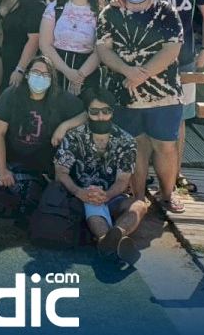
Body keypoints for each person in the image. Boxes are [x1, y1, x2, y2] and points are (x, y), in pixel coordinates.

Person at [96, 0, 185, 213]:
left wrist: (141, 75)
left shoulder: (166, 11)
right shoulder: (110, 13)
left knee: (165, 146)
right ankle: (138, 196)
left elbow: (172, 48)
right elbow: (103, 49)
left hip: (164, 94)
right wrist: (128, 72)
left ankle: (167, 194)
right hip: (124, 94)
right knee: (135, 146)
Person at [152, 0, 204, 193]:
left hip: (186, 62)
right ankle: (151, 173)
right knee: (152, 115)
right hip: (155, 63)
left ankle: (177, 173)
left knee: (180, 120)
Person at [54, 88, 148, 258]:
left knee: (139, 205)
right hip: (78, 196)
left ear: (112, 112)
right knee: (92, 202)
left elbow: (122, 180)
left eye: (106, 111)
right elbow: (61, 172)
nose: (101, 116)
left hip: (112, 196)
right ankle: (109, 239)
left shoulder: (126, 141)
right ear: (87, 113)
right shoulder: (74, 137)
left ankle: (114, 236)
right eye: (95, 112)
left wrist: (107, 195)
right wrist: (79, 192)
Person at [0, 56, 86, 184]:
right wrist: (2, 170)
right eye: (36, 72)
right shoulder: (11, 94)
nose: (40, 77)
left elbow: (84, 115)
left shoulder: (60, 97)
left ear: (52, 79)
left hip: (43, 154)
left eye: (46, 75)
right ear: (27, 75)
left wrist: (64, 126)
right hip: (12, 149)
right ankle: (5, 173)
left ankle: (34, 177)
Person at [40, 0, 104, 94]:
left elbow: (101, 50)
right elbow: (45, 44)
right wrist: (67, 72)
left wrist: (80, 76)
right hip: (56, 69)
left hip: (87, 73)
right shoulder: (54, 8)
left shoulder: (100, 12)